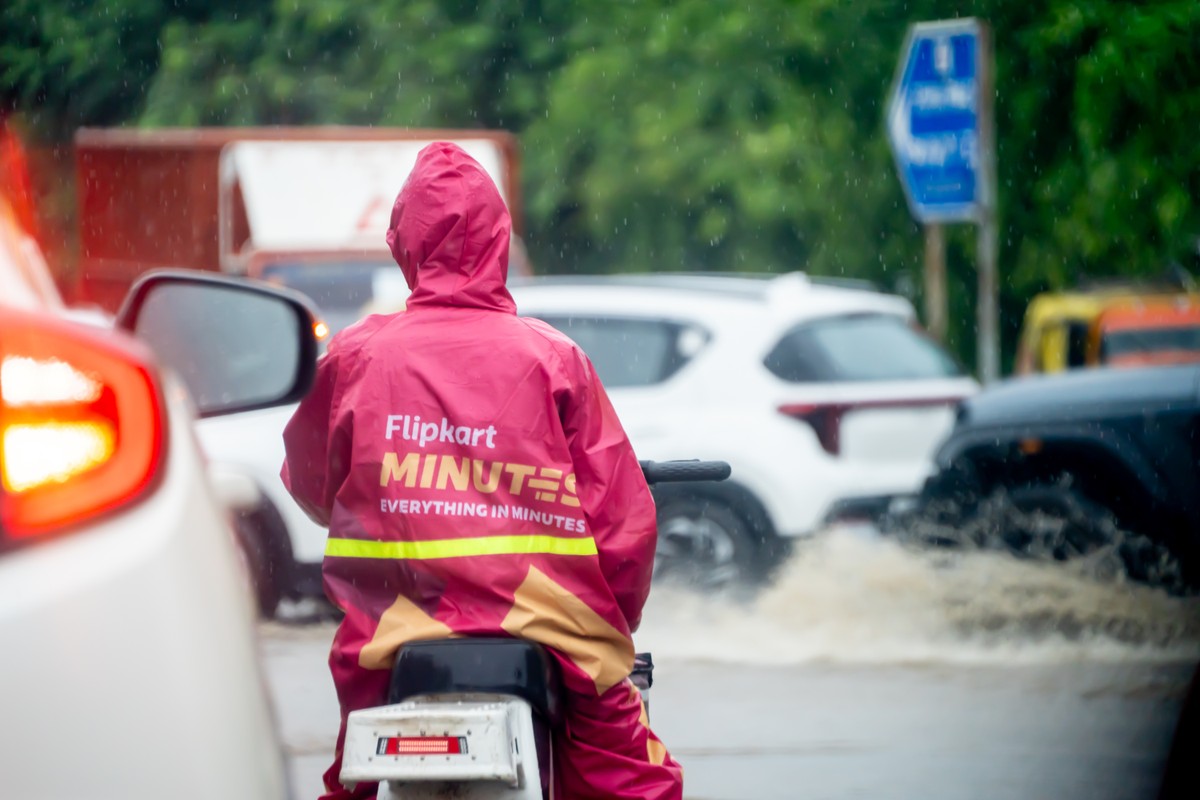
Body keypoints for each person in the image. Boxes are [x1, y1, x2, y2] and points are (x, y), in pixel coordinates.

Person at [281, 142, 682, 800]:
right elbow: (622, 526)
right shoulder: (555, 359)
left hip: (386, 645)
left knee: (348, 783)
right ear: (499, 239)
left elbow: (309, 485)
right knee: (635, 782)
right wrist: (617, 623)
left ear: (402, 243)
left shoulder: (356, 355)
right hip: (556, 638)